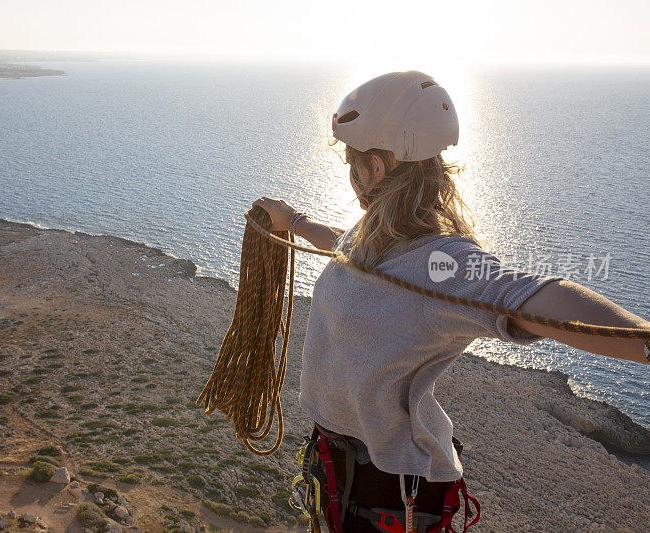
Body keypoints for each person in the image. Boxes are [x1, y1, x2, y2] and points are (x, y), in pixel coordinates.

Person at [252, 71, 650, 532]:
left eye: (352, 162)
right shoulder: (381, 236)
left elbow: (535, 296)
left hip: (389, 492)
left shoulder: (446, 261)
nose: (350, 173)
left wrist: (643, 342)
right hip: (341, 469)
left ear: (376, 168)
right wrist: (294, 221)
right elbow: (342, 247)